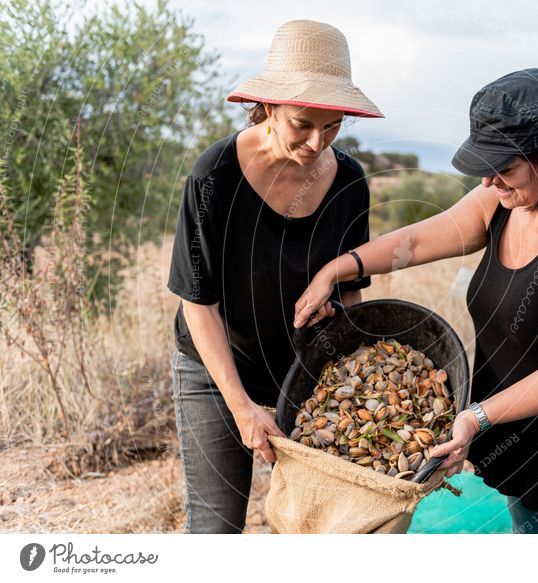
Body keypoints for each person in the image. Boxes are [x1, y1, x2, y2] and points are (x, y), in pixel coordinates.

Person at [294, 68, 538, 534]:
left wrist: (477, 417)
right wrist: (337, 269)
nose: (488, 184)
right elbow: (418, 242)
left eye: (505, 169)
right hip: (537, 431)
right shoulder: (506, 199)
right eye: (487, 167)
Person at [167, 20, 382, 533]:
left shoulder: (350, 182)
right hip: (217, 371)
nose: (316, 142)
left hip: (305, 374)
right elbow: (200, 303)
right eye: (302, 124)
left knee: (321, 529)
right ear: (268, 106)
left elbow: (351, 291)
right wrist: (242, 408)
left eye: (332, 127)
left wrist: (340, 337)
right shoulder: (214, 174)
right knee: (216, 528)